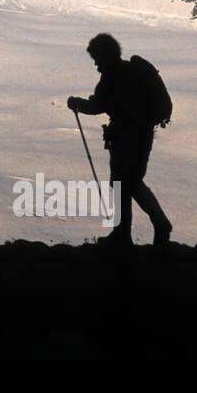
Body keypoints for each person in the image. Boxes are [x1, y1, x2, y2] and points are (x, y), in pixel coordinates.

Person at [67, 33, 172, 248]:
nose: (96, 64)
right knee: (128, 182)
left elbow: (98, 105)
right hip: (141, 134)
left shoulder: (113, 77)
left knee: (125, 182)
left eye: (97, 58)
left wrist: (76, 103)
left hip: (126, 137)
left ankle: (143, 227)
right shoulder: (130, 70)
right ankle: (131, 230)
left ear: (105, 55)